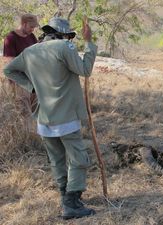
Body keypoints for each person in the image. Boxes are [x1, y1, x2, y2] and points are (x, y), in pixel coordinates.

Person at [3, 17, 98, 220]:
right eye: (69, 36)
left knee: (57, 160)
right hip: (66, 117)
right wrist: (89, 43)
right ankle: (71, 202)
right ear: (63, 34)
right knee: (78, 158)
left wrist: (32, 87)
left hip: (44, 119)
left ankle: (66, 199)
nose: (69, 39)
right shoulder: (64, 46)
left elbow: (8, 70)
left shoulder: (30, 51)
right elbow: (85, 70)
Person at [3, 13, 39, 130]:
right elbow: (10, 63)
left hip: (33, 79)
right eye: (31, 26)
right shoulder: (10, 38)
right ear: (24, 24)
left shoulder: (32, 37)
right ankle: (27, 138)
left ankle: (37, 135)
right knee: (24, 112)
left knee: (35, 109)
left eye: (34, 27)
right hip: (19, 82)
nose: (32, 29)